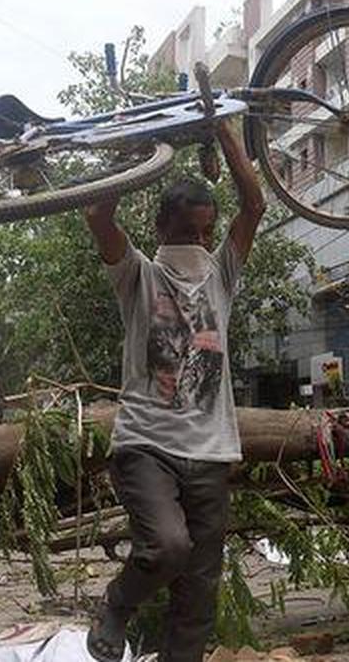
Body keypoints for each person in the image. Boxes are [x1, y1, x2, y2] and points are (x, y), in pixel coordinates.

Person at [83, 120, 265, 662]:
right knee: (168, 547)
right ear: (161, 229)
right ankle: (117, 605)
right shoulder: (137, 275)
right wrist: (134, 155)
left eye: (208, 233)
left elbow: (253, 207)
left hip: (210, 454)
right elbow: (98, 214)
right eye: (189, 232)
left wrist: (226, 132)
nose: (202, 243)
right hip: (146, 447)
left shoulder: (221, 276)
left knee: (199, 594)